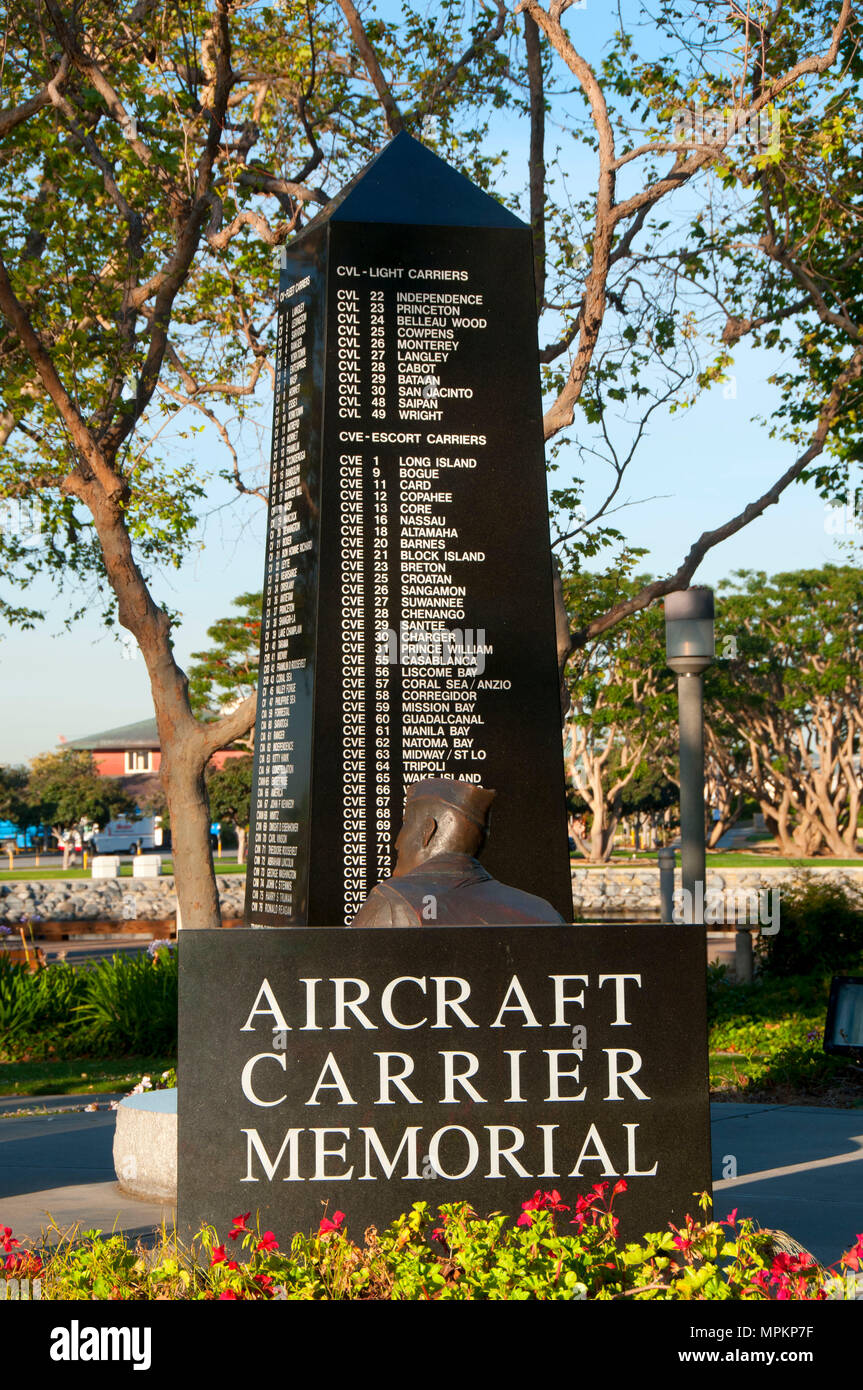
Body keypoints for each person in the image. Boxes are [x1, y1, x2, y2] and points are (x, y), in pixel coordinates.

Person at [349, 777, 566, 927]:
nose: (396, 843)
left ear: (428, 830)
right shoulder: (543, 911)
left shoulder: (393, 903)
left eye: (405, 824)